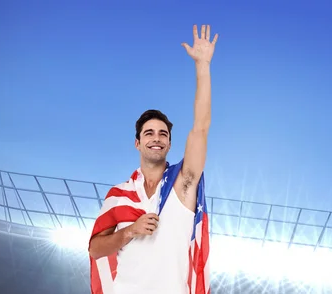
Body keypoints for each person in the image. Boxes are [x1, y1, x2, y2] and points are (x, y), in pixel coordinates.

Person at [88, 24, 218, 294]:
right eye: (149, 133)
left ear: (170, 144)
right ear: (138, 143)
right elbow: (95, 249)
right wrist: (129, 232)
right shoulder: (118, 195)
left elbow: (201, 128)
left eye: (162, 134)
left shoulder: (182, 186)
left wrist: (203, 67)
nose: (156, 138)